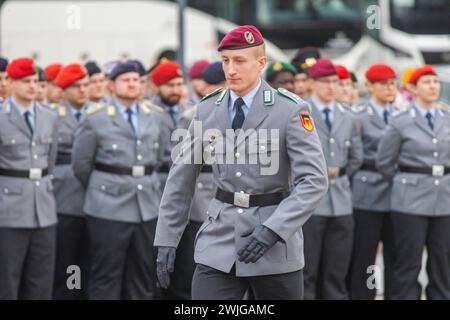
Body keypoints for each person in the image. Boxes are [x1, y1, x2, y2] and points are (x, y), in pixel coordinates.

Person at [154, 25, 328, 300]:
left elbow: (314, 181)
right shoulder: (207, 108)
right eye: (225, 61)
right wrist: (166, 238)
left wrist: (274, 229)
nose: (230, 70)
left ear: (260, 63)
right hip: (218, 242)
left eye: (239, 61)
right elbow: (181, 177)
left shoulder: (290, 109)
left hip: (274, 245)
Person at [72, 61, 168, 300]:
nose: (133, 84)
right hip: (108, 206)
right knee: (106, 276)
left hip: (146, 205)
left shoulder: (154, 116)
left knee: (143, 275)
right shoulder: (95, 118)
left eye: (137, 80)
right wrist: (102, 187)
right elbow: (81, 164)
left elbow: (158, 159)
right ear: (112, 85)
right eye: (126, 80)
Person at [376, 65, 450, 300]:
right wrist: (405, 182)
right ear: (413, 88)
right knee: (408, 261)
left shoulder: (446, 117)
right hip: (410, 200)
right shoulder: (400, 120)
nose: (433, 87)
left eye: (435, 82)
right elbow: (384, 161)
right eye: (426, 82)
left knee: (442, 259)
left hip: (444, 198)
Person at [302, 59, 363, 300]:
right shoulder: (301, 111)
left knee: (336, 270)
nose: (331, 87)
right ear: (311, 83)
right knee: (308, 268)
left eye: (335, 82)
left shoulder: (347, 116)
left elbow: (356, 157)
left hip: (341, 198)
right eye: (325, 82)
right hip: (310, 199)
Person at [0, 57, 58, 299]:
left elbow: (50, 160)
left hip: (43, 208)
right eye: (26, 81)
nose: (33, 86)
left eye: (35, 81)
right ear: (11, 83)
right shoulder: (2, 116)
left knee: (41, 279)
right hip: (9, 209)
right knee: (7, 280)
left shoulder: (49, 116)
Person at [349, 64, 397, 300]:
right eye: (383, 84)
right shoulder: (359, 117)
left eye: (392, 83)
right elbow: (355, 157)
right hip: (367, 191)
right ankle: (364, 294)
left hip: (398, 194)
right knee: (365, 254)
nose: (389, 88)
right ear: (369, 86)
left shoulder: (402, 114)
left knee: (396, 255)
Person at [52, 64, 91, 300]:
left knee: (89, 263)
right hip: (64, 200)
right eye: (76, 86)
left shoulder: (98, 114)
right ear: (63, 90)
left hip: (93, 200)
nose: (82, 90)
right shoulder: (53, 116)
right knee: (67, 264)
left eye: (85, 85)